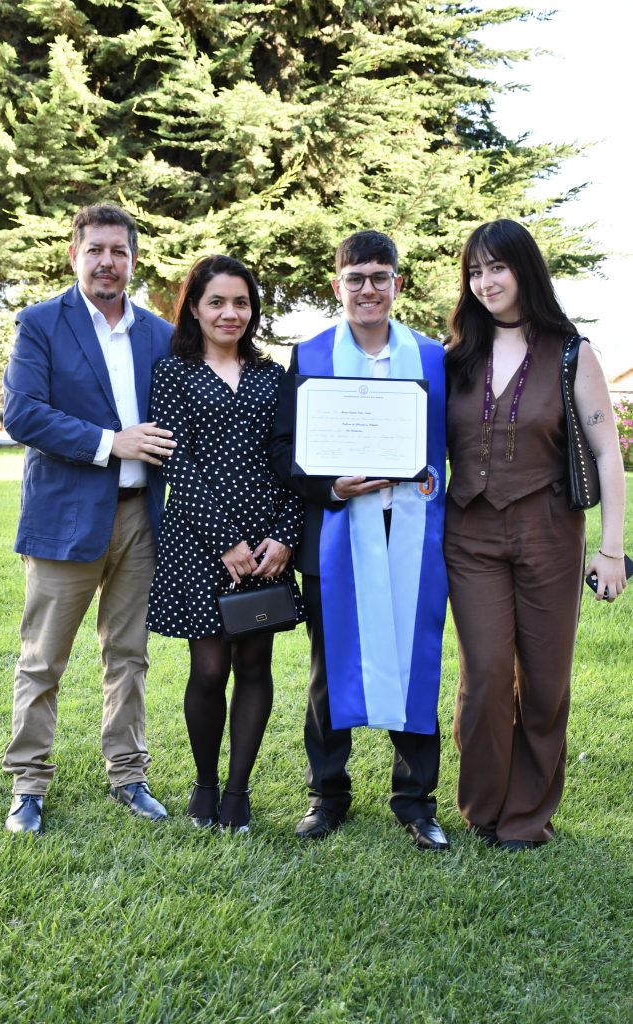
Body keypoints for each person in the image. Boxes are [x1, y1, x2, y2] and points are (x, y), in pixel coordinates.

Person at [445, 218, 627, 851]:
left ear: (525, 270)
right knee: (487, 676)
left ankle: (525, 818)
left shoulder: (571, 351)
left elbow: (607, 453)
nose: (486, 281)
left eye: (497, 267)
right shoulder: (455, 355)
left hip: (550, 533)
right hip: (470, 534)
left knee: (545, 683)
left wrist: (611, 549)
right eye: (475, 271)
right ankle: (483, 809)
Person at [270, 230, 449, 849]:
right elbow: (284, 449)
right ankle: (327, 794)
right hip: (336, 530)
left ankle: (415, 800)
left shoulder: (433, 358)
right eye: (355, 278)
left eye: (379, 277)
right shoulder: (311, 355)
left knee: (415, 659)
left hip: (413, 532)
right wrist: (330, 486)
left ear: (398, 283)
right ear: (336, 285)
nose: (367, 289)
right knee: (330, 664)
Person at [2, 203, 176, 835]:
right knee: (43, 659)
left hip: (139, 520)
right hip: (65, 517)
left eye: (118, 251)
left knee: (128, 655)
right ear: (74, 254)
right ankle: (28, 785)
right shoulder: (41, 324)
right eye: (95, 249)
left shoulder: (160, 334)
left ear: (134, 259)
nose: (107, 261)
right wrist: (111, 442)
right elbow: (22, 414)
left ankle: (129, 774)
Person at [146, 254, 304, 834]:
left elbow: (296, 458)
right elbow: (175, 462)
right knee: (210, 668)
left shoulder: (273, 376)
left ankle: (238, 792)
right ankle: (206, 784)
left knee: (255, 664)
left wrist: (284, 535)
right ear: (194, 307)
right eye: (217, 302)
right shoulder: (174, 374)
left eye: (241, 302)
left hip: (266, 545)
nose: (230, 313)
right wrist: (225, 542)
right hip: (199, 540)